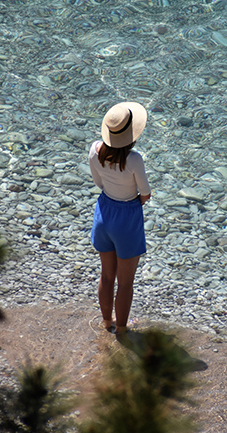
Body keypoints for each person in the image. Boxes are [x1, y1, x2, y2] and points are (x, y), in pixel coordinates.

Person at [89, 102, 151, 335]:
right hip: (127, 217)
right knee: (125, 283)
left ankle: (106, 323)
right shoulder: (134, 160)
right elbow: (144, 194)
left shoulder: (95, 149)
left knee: (106, 275)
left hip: (104, 213)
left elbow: (99, 183)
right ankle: (122, 331)